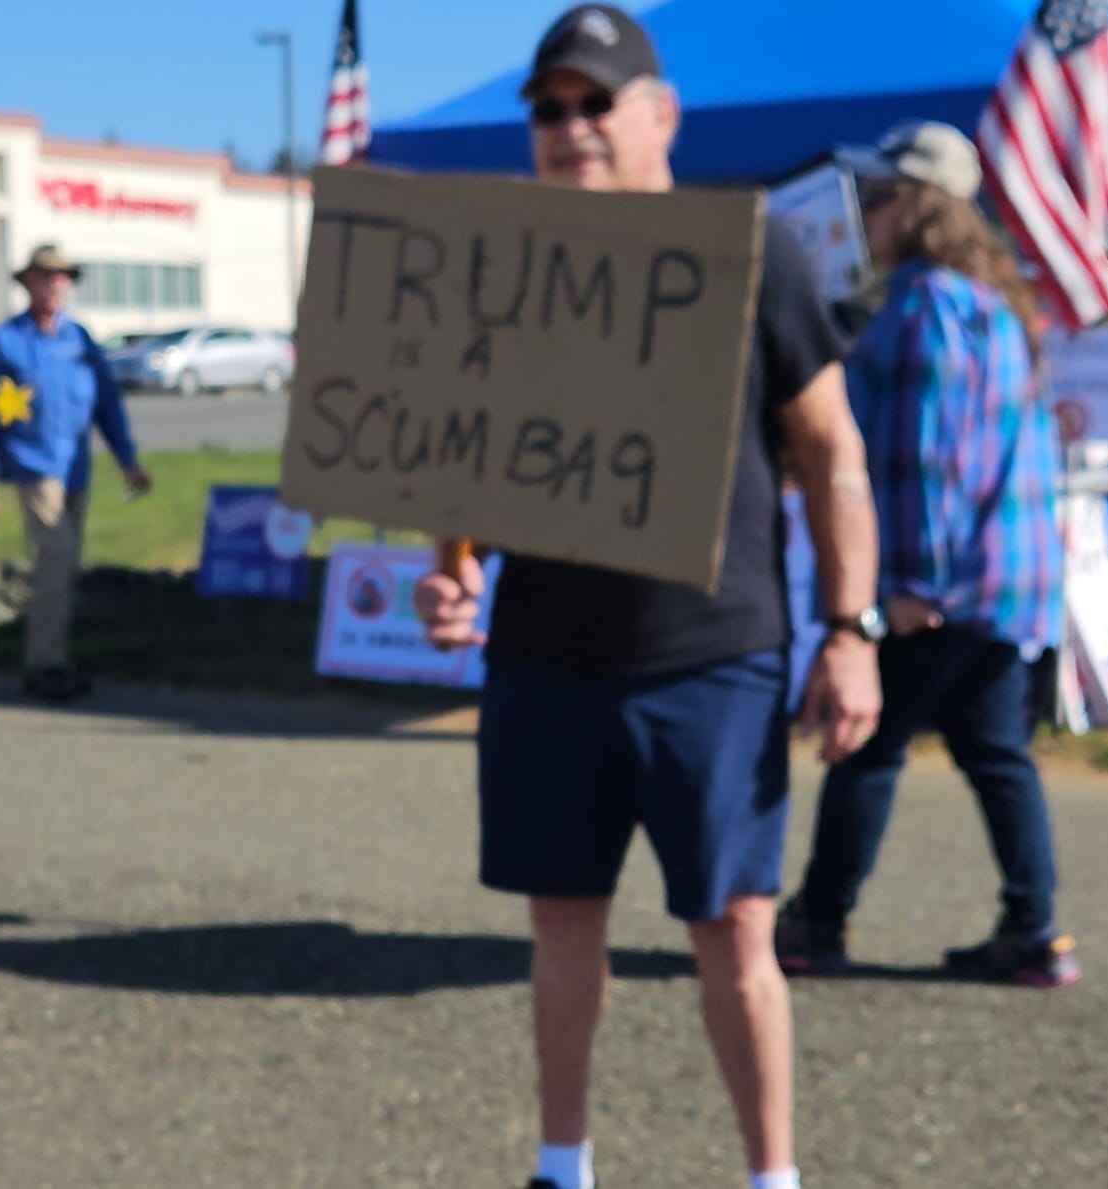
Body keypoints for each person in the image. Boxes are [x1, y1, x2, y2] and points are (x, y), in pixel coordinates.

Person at [412, 8, 882, 1188]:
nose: (569, 128)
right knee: (561, 922)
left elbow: (830, 455)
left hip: (710, 655)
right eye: (548, 109)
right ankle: (559, 1165)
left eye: (594, 102)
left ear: (659, 116)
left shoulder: (750, 253)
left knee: (733, 932)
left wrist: (848, 628)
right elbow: (469, 459)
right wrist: (453, 568)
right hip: (543, 656)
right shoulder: (504, 274)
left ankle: (769, 1176)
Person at [774, 121, 1081, 989]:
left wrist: (903, 585)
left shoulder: (922, 306)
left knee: (866, 747)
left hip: (937, 582)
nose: (864, 216)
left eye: (875, 198)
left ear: (911, 205)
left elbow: (923, 459)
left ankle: (819, 920)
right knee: (995, 754)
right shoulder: (993, 302)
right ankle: (1034, 929)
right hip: (1003, 579)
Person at [0, 244, 151, 701]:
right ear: (28, 283)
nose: (55, 285)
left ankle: (54, 659)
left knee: (63, 566)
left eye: (62, 278)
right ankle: (44, 666)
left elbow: (107, 405)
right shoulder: (6, 342)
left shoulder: (79, 340)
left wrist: (127, 459)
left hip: (75, 466)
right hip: (34, 465)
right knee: (55, 560)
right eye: (46, 277)